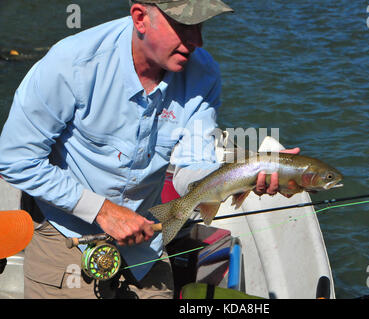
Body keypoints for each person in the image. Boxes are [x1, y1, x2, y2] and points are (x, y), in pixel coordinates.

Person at [0, 0, 299, 299]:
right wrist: (102, 210)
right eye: (184, 27)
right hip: (66, 241)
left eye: (200, 26)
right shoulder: (72, 64)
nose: (196, 41)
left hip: (146, 247)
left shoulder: (204, 75)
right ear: (140, 18)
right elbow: (15, 159)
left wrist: (243, 177)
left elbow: (190, 168)